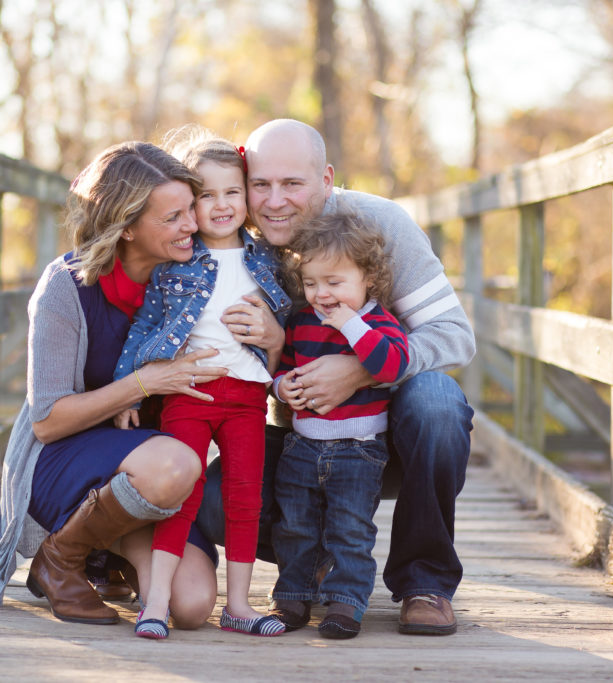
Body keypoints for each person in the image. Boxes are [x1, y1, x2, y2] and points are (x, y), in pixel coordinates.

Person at [196, 118, 476, 636]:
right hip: (300, 443)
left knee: (438, 402)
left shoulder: (380, 225)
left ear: (326, 179)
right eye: (261, 184)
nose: (274, 201)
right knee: (209, 497)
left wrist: (358, 369)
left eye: (292, 184)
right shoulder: (233, 238)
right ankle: (318, 564)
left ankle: (425, 582)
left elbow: (455, 336)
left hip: (380, 436)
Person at [0, 141, 227, 631]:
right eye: (173, 217)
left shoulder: (195, 279)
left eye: (191, 211)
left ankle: (106, 550)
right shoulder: (67, 287)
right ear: (127, 226)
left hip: (155, 480)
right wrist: (143, 383)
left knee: (192, 605)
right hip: (69, 462)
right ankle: (61, 556)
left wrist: (270, 333)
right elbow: (48, 422)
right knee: (175, 462)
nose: (191, 226)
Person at [113, 131, 291, 639]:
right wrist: (130, 387)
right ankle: (156, 603)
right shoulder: (175, 265)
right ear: (191, 203)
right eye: (205, 195)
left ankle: (238, 605)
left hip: (248, 398)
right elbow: (144, 327)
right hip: (189, 394)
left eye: (232, 192)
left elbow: (291, 327)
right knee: (183, 495)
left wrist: (278, 346)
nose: (220, 205)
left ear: (248, 198)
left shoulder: (268, 261)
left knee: (244, 497)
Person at [271, 210, 409, 639]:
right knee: (295, 525)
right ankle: (292, 597)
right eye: (311, 284)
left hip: (358, 449)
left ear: (367, 277)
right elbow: (285, 367)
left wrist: (352, 325)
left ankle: (345, 604)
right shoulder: (302, 322)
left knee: (349, 529)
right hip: (303, 444)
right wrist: (281, 388)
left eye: (335, 283)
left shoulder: (378, 322)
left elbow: (391, 366)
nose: (321, 294)